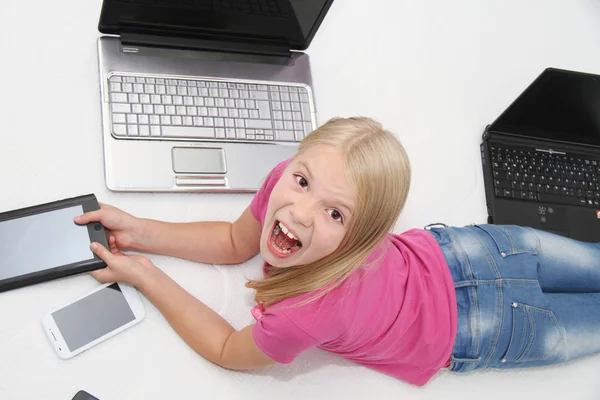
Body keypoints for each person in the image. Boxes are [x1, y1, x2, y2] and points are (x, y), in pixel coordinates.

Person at [75, 117, 600, 387]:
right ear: (295, 163)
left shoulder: (305, 313)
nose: (300, 212)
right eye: (302, 181)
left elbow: (225, 350)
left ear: (365, 236)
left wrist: (148, 277)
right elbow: (236, 241)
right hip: (469, 251)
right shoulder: (286, 181)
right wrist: (139, 229)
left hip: (485, 319)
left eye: (335, 214)